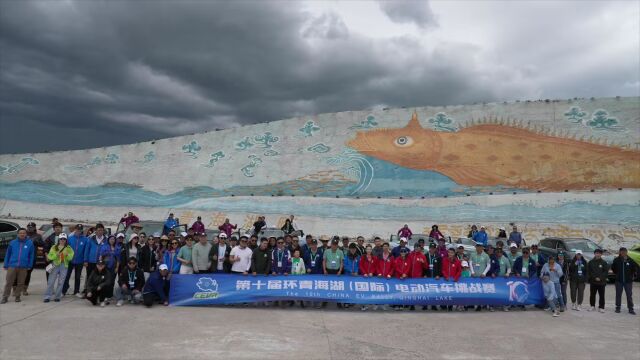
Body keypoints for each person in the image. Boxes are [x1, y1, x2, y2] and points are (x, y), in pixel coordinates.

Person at [1, 228, 34, 304]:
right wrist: (6, 264)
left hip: (24, 266)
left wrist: (30, 264)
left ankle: (17, 296)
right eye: (20, 233)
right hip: (12, 265)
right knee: (9, 282)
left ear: (26, 234)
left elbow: (31, 255)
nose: (22, 234)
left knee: (21, 282)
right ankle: (5, 297)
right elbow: (8, 254)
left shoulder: (29, 243)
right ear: (18, 234)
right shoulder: (12, 242)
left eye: (24, 233)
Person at [43, 233, 74, 303]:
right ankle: (47, 296)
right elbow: (50, 256)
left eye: (64, 239)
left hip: (64, 265)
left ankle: (57, 296)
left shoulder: (69, 248)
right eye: (61, 239)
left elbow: (71, 257)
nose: (62, 240)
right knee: (51, 281)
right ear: (59, 239)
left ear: (66, 240)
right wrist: (56, 255)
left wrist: (67, 255)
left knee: (61, 282)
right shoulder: (54, 247)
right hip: (55, 265)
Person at [63, 224, 88, 298]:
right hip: (70, 261)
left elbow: (85, 251)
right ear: (75, 229)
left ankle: (76, 291)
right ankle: (63, 291)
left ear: (82, 230)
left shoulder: (85, 239)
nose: (78, 231)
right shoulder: (70, 238)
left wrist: (85, 260)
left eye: (80, 230)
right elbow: (66, 249)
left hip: (79, 261)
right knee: (67, 276)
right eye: (77, 229)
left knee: (77, 277)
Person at [611, 247, 638, 315]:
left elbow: (635, 268)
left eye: (624, 252)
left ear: (626, 252)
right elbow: (613, 268)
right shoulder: (616, 260)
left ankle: (630, 308)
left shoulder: (630, 260)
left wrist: (632, 276)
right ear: (620, 252)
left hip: (628, 282)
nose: (623, 253)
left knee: (629, 295)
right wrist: (617, 274)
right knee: (618, 294)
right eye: (622, 252)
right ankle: (618, 307)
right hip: (619, 281)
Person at [20, 222, 42, 296]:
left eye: (32, 227)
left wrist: (37, 242)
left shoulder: (38, 236)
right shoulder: (23, 235)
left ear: (35, 228)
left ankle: (25, 289)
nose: (30, 228)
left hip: (32, 258)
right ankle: (17, 288)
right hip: (22, 258)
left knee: (28, 274)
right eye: (29, 227)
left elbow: (42, 244)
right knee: (20, 273)